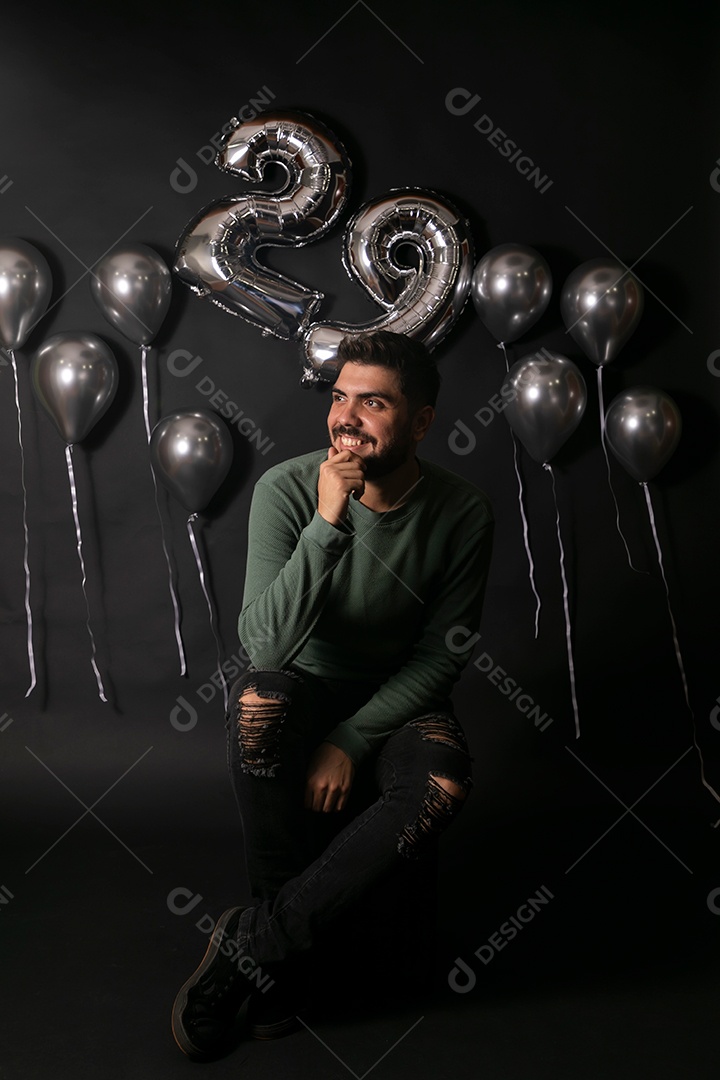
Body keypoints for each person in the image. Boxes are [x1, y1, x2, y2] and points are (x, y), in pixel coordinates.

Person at [171, 329, 494, 1060]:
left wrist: (352, 739)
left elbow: (441, 657)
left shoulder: (463, 511)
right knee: (259, 703)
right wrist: (327, 522)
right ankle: (286, 962)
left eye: (372, 403)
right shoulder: (287, 489)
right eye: (340, 397)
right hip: (303, 686)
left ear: (420, 421)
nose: (345, 417)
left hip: (399, 699)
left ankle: (258, 945)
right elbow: (265, 647)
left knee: (442, 781)